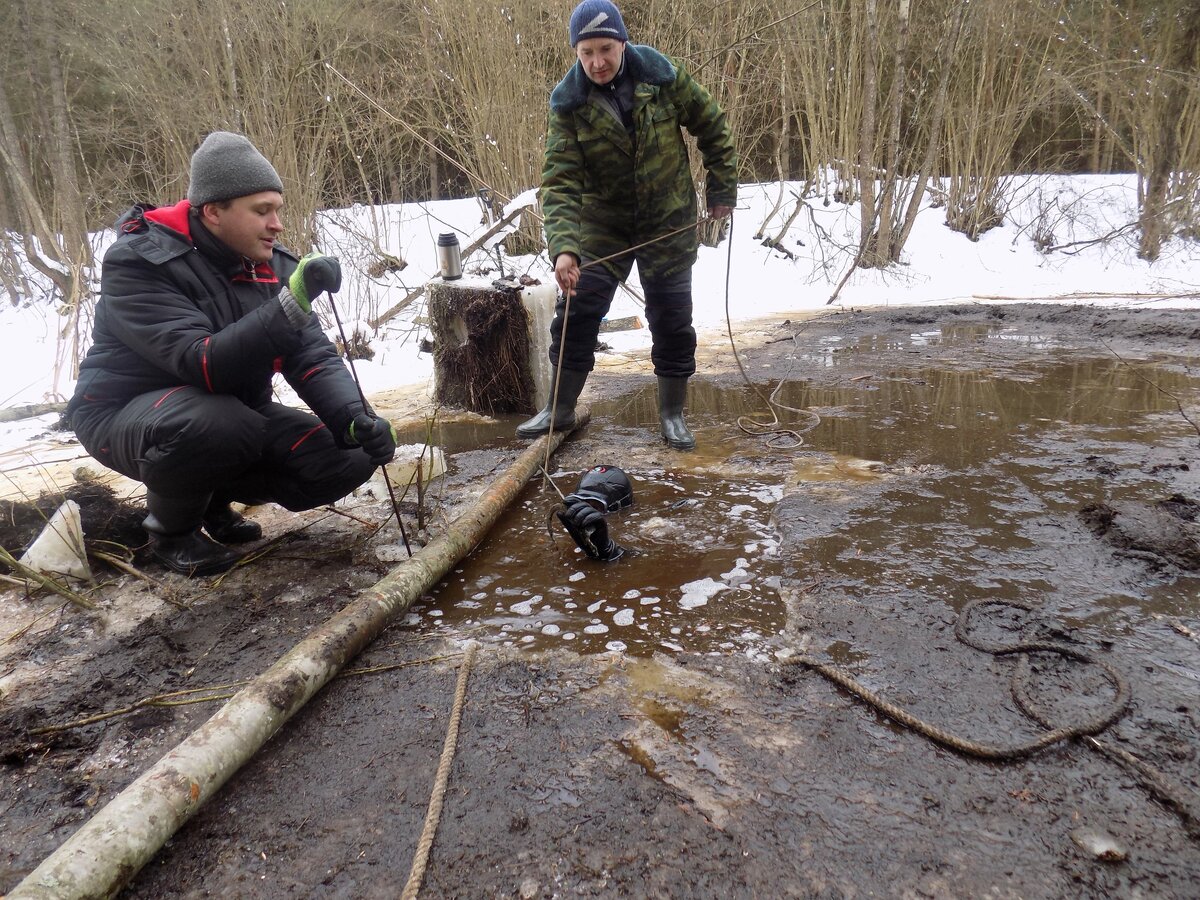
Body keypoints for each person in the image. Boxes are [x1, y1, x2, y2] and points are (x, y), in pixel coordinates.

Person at [66, 132, 397, 577]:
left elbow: (312, 358)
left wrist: (355, 418)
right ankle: (170, 533)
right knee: (218, 422)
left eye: (277, 209)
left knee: (348, 456)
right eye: (262, 211)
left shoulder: (272, 266)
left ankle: (210, 501)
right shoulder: (139, 263)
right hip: (122, 415)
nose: (277, 223)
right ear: (214, 211)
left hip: (232, 414)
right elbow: (202, 362)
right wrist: (290, 304)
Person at [517, 0, 737, 451]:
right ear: (577, 54)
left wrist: (720, 191)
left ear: (621, 42)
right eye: (586, 53)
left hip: (667, 218)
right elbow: (559, 180)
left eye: (604, 49)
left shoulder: (663, 77)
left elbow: (712, 126)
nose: (597, 62)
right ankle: (560, 407)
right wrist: (564, 248)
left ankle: (672, 413)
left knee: (672, 320)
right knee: (576, 311)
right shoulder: (568, 104)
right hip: (604, 224)